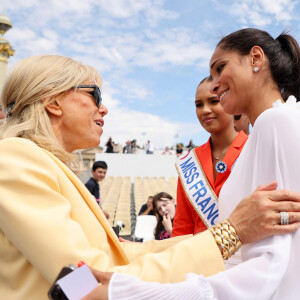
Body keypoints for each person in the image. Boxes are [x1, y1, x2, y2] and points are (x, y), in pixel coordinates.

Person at [0, 54, 273, 299]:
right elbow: (84, 281)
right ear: (52, 102)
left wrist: (232, 237)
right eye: (94, 95)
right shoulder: (15, 157)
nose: (104, 108)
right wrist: (229, 234)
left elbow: (117, 257)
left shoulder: (39, 162)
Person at [84, 28, 300, 300]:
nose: (214, 84)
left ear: (256, 58)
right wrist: (133, 269)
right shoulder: (271, 127)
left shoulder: (275, 122)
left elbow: (268, 264)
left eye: (221, 68)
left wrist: (128, 291)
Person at [172, 76, 248, 237]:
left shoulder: (253, 148)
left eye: (213, 101)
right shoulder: (190, 162)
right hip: (200, 258)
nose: (205, 110)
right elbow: (182, 228)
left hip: (247, 258)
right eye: (199, 105)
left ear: (230, 101)